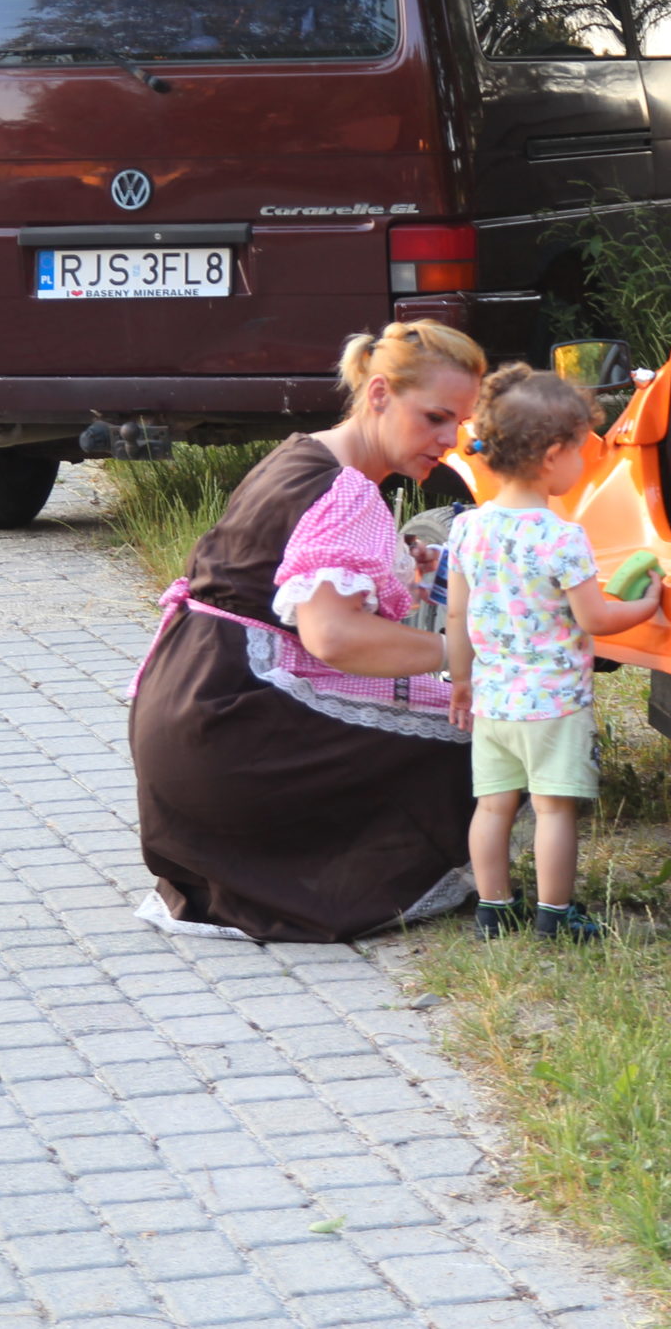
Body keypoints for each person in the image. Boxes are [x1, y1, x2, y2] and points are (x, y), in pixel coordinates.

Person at [126, 321, 486, 941]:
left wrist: (407, 568)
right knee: (492, 731)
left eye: (460, 422)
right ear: (379, 394)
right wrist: (465, 652)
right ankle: (342, 877)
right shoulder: (348, 492)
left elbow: (279, 577)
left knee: (447, 712)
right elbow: (334, 638)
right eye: (435, 417)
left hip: (186, 714)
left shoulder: (302, 455)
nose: (450, 440)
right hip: (234, 730)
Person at [444, 365, 662, 941]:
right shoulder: (561, 537)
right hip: (554, 705)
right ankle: (556, 915)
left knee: (492, 807)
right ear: (552, 456)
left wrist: (461, 682)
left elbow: (456, 617)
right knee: (553, 810)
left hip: (493, 702)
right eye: (583, 451)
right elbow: (596, 619)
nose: (586, 463)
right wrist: (646, 606)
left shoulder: (468, 529)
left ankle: (493, 909)